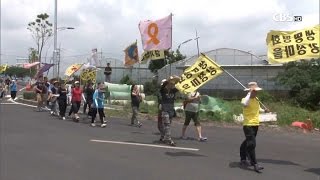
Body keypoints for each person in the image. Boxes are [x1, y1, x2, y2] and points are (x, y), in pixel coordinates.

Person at [239, 82, 269, 173]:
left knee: (248, 142)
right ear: (250, 91)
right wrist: (249, 93)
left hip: (256, 124)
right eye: (255, 91)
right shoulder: (245, 99)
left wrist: (264, 110)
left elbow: (258, 109)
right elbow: (244, 103)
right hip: (248, 125)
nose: (256, 93)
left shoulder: (256, 99)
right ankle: (255, 163)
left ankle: (243, 157)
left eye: (256, 91)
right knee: (252, 144)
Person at [158, 76, 180, 146]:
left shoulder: (174, 90)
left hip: (171, 110)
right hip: (165, 110)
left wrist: (177, 78)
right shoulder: (163, 91)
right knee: (167, 125)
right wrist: (169, 80)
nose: (171, 85)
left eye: (172, 84)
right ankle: (169, 139)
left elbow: (180, 85)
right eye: (170, 84)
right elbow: (163, 86)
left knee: (168, 125)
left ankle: (165, 137)